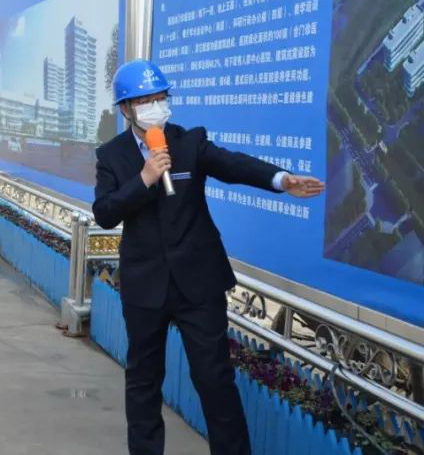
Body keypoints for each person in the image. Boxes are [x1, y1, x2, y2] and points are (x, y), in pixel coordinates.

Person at [92, 60, 324, 455]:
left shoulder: (189, 142)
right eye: (145, 100)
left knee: (214, 379)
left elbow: (233, 164)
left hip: (198, 283)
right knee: (144, 379)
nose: (155, 107)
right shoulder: (111, 155)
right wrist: (145, 179)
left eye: (160, 98)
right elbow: (105, 213)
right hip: (145, 286)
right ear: (126, 108)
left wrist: (281, 180)